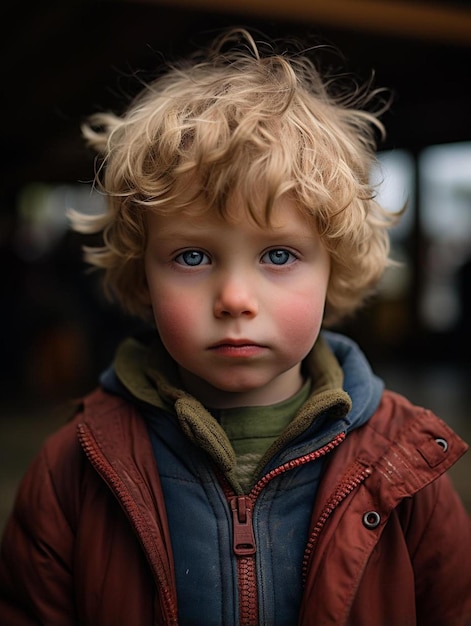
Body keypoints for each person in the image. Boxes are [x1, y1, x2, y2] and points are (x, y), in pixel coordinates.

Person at [1, 28, 470, 626]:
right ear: (142, 277)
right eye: (192, 257)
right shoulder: (72, 469)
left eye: (278, 255)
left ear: (336, 268)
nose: (235, 298)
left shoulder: (408, 467)